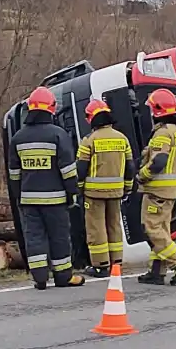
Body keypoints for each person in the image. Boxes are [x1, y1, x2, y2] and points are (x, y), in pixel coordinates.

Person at [7, 86, 85, 290]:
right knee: (59, 236)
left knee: (34, 237)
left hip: (29, 200)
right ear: (51, 108)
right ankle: (63, 277)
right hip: (55, 199)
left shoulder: (18, 138)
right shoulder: (58, 135)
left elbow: (14, 174)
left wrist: (19, 197)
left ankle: (40, 278)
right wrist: (72, 194)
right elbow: (68, 169)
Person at [137, 88, 176, 286]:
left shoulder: (162, 133)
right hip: (171, 191)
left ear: (158, 110)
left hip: (156, 190)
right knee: (161, 229)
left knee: (152, 229)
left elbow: (159, 160)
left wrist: (141, 176)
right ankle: (156, 271)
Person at [76, 98, 135, 278]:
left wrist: (79, 188)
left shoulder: (89, 140)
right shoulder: (122, 138)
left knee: (96, 228)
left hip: (94, 193)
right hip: (116, 192)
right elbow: (130, 166)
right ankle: (116, 262)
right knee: (114, 226)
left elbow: (81, 168)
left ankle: (101, 265)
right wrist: (128, 187)